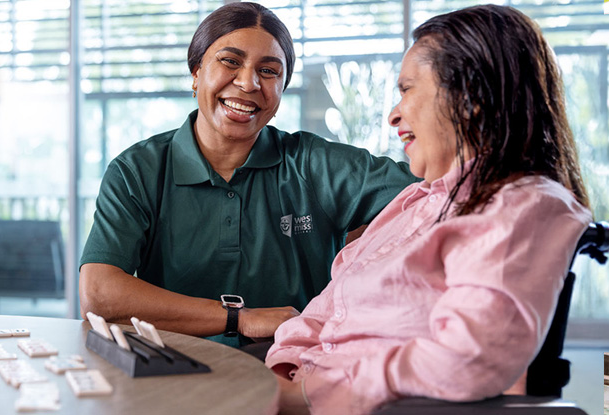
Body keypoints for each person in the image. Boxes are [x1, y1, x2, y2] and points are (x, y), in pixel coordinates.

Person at [266, 5, 593, 414]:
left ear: (471, 96)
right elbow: (325, 311)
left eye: (406, 89)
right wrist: (279, 377)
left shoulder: (523, 205)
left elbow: (467, 358)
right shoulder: (414, 201)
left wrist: (313, 394)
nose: (393, 114)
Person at [79, 2, 417, 346]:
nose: (248, 82)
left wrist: (367, 253)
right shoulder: (137, 170)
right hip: (173, 375)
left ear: (283, 88)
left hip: (292, 373)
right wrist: (238, 319)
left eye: (269, 71)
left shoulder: (315, 163)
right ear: (196, 72)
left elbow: (443, 190)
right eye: (230, 61)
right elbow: (99, 295)